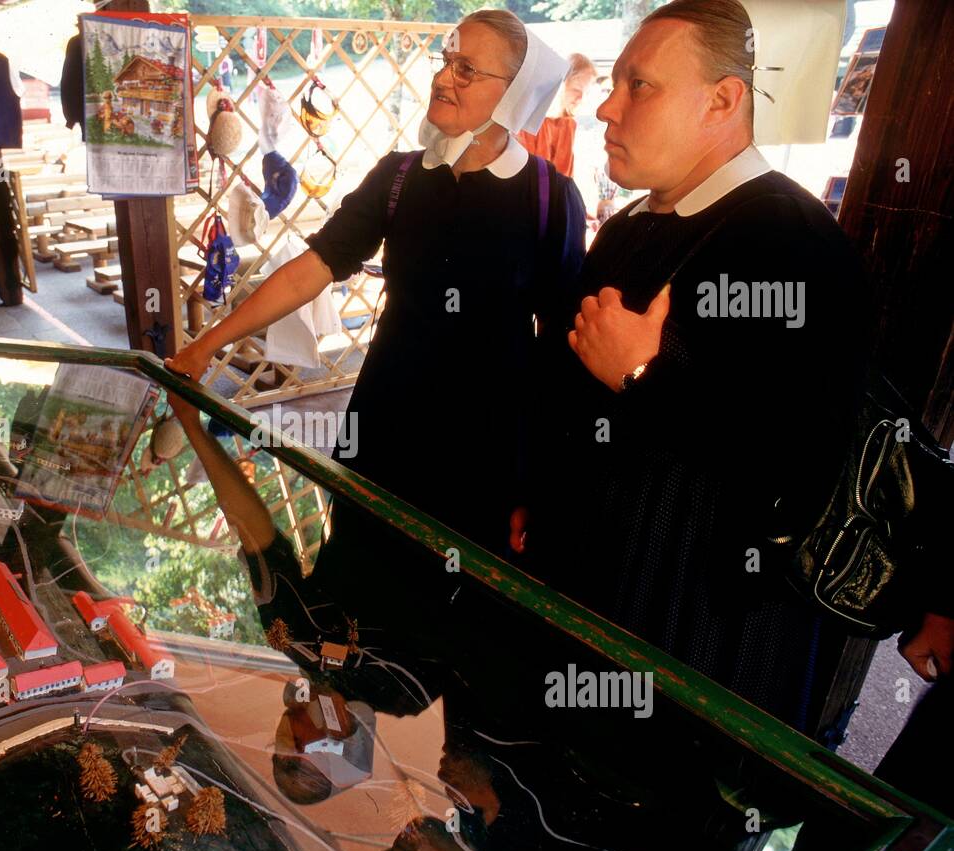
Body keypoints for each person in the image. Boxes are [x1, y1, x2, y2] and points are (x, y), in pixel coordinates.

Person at [526, 0, 871, 737]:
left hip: (698, 642)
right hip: (584, 604)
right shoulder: (628, 226)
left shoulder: (794, 242)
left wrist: (648, 375)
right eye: (612, 84)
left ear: (722, 100)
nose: (607, 110)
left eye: (639, 86)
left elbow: (801, 461)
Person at [167, 9, 586, 606]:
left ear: (514, 94)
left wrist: (538, 485)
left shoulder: (549, 198)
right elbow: (313, 268)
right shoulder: (400, 177)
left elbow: (560, 348)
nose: (446, 77)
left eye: (468, 69)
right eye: (447, 60)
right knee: (354, 599)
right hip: (386, 429)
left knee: (460, 618)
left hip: (486, 452)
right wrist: (206, 345)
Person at [516, 52, 597, 177]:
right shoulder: (529, 120)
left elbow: (565, 178)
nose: (581, 98)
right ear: (561, 84)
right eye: (576, 90)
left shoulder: (568, 124)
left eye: (586, 93)